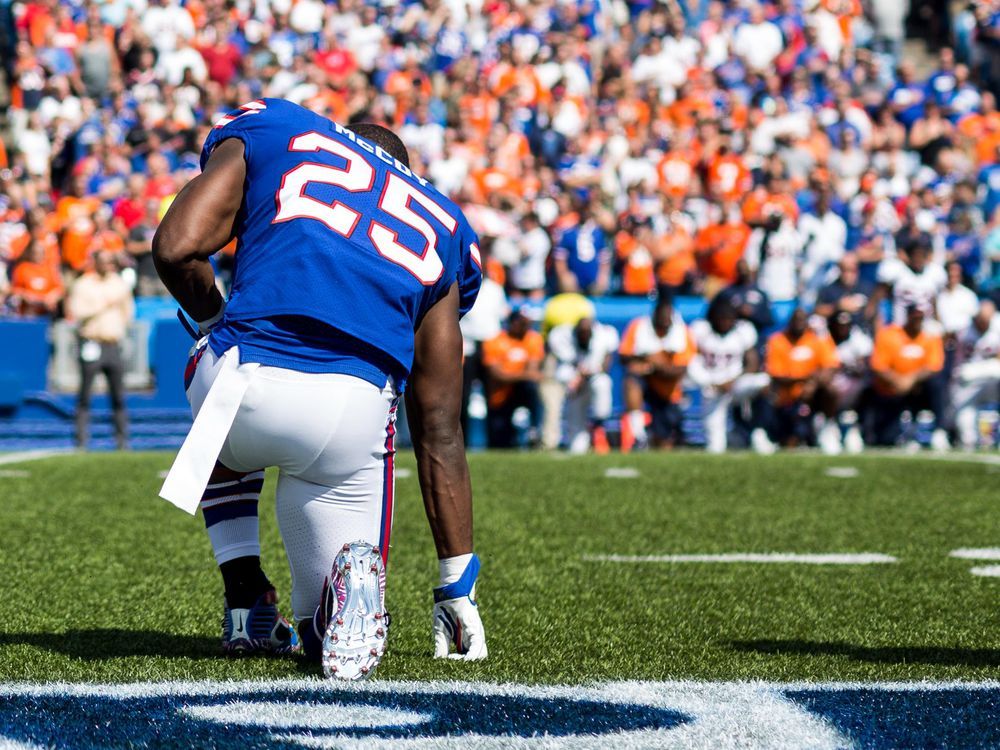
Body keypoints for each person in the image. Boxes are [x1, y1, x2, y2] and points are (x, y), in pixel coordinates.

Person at [152, 99, 486, 679]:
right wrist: (457, 585)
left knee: (209, 354)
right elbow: (438, 427)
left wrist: (214, 322)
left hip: (241, 388)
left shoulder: (279, 128)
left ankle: (246, 598)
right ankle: (336, 600)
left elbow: (175, 248)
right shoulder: (445, 222)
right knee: (320, 639)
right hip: (351, 418)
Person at [66, 250, 134, 450]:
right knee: (85, 394)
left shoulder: (119, 284)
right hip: (91, 341)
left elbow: (127, 311)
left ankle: (122, 441)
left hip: (112, 343)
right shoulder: (83, 284)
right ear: (95, 263)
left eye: (111, 261)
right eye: (104, 261)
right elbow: (77, 312)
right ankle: (81, 441)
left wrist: (118, 326)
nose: (108, 265)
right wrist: (104, 305)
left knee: (118, 395)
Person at [687, 295, 771, 454]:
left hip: (736, 384)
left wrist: (733, 380)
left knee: (763, 382)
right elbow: (692, 361)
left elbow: (752, 362)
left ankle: (759, 431)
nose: (725, 322)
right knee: (715, 447)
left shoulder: (743, 331)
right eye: (722, 318)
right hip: (712, 389)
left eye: (729, 318)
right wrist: (712, 382)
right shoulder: (701, 331)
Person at [619, 293, 696, 449]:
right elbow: (624, 357)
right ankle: (638, 435)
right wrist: (648, 362)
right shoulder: (639, 327)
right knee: (631, 380)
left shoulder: (682, 333)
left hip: (669, 390)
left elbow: (678, 371)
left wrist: (653, 365)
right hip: (645, 382)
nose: (663, 326)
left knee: (663, 441)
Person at [869, 304, 948, 449]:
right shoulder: (889, 335)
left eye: (920, 318)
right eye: (915, 317)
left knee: (937, 383)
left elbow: (934, 366)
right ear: (908, 317)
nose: (917, 321)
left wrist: (911, 379)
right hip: (893, 389)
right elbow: (878, 366)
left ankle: (939, 430)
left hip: (919, 388)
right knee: (887, 439)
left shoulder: (930, 336)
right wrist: (897, 380)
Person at [764, 308, 840, 449]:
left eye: (802, 320)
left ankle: (827, 427)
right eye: (796, 320)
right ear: (789, 322)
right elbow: (777, 375)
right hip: (787, 397)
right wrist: (805, 380)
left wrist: (812, 384)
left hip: (812, 396)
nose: (799, 323)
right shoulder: (777, 340)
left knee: (831, 390)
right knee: (790, 444)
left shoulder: (816, 339)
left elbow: (831, 366)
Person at [548, 316, 618, 454]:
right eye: (582, 334)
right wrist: (576, 379)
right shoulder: (561, 337)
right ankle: (578, 441)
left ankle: (599, 422)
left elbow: (605, 366)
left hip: (593, 377)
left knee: (602, 383)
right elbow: (568, 366)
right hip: (573, 377)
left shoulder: (604, 336)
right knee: (564, 377)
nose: (584, 337)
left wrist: (587, 373)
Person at [481, 309, 545, 448]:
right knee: (500, 442)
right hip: (500, 394)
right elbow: (497, 375)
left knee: (531, 388)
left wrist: (515, 375)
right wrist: (523, 375)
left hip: (520, 390)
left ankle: (534, 430)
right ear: (512, 323)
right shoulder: (494, 341)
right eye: (522, 323)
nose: (526, 327)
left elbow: (532, 372)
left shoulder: (533, 339)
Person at [949, 301, 1000, 449]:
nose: (984, 324)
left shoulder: (997, 325)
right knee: (967, 436)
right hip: (965, 381)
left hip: (990, 378)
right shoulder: (962, 326)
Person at [827, 310, 873, 454]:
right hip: (830, 386)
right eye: (839, 325)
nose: (842, 329)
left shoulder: (859, 340)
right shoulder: (824, 340)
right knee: (827, 389)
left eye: (846, 325)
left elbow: (864, 368)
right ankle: (829, 427)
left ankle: (855, 429)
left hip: (854, 385)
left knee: (868, 387)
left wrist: (850, 367)